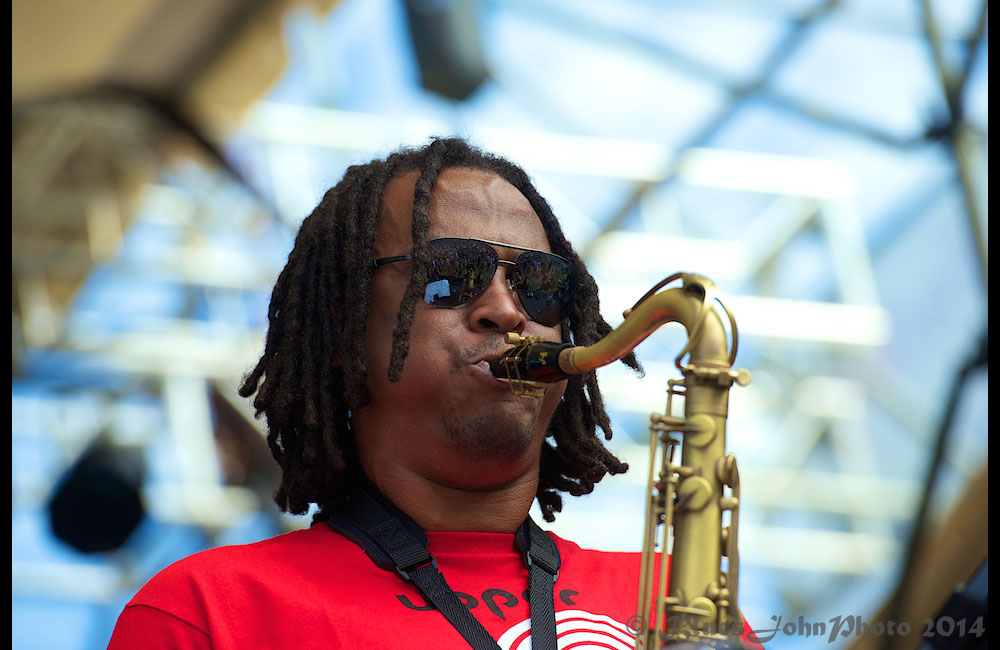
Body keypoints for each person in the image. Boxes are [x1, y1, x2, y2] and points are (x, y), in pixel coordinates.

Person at [108, 138, 758, 650]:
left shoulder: (680, 606)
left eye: (538, 283)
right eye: (451, 276)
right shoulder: (207, 613)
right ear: (344, 331)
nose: (506, 310)